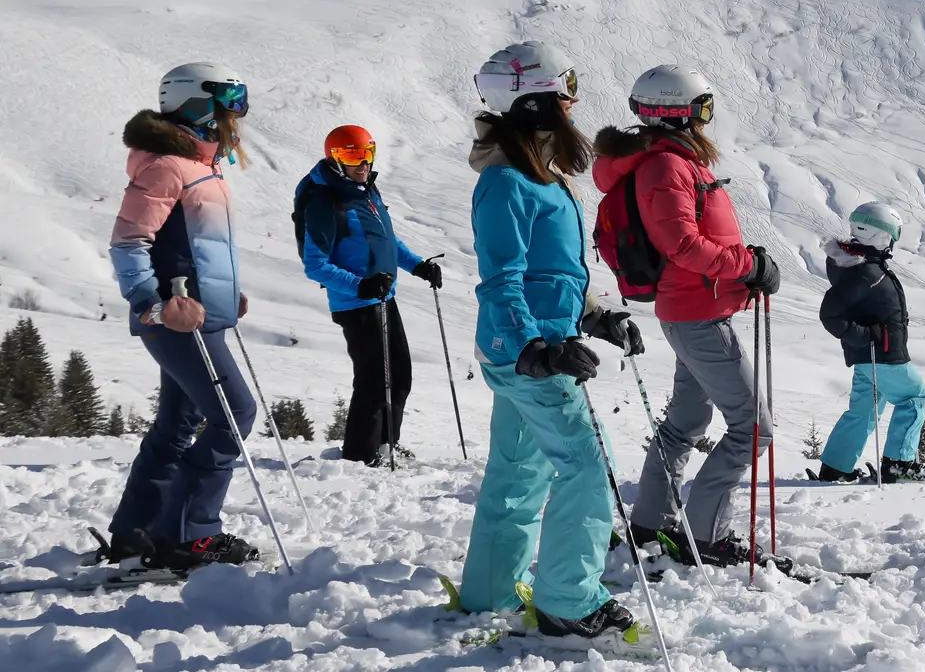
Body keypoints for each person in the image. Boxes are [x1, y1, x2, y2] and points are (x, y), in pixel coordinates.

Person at [457, 41, 638, 641]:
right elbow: (502, 278)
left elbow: (548, 274)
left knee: (518, 474)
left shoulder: (540, 176)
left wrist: (592, 316)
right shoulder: (507, 183)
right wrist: (535, 347)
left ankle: (487, 591)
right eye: (565, 93)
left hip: (529, 349)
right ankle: (568, 600)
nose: (573, 104)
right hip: (527, 355)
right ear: (534, 102)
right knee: (588, 467)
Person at [596, 65, 780, 567]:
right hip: (699, 314)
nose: (707, 117)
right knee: (754, 427)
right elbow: (680, 244)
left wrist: (745, 260)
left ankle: (651, 522)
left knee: (686, 421)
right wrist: (748, 265)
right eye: (702, 107)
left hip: (693, 309)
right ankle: (708, 536)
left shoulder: (669, 161)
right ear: (677, 111)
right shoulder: (666, 167)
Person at [103, 62, 260, 569]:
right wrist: (153, 303)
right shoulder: (168, 166)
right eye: (227, 96)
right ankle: (187, 536)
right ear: (196, 100)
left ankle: (139, 531)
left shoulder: (200, 164)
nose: (235, 109)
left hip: (196, 315)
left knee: (180, 420)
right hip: (173, 318)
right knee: (234, 415)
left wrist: (224, 294)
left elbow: (196, 245)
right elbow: (129, 241)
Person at [296, 124, 443, 467]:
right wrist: (360, 285)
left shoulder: (365, 191)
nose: (362, 163)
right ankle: (361, 454)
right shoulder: (324, 201)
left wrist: (417, 265)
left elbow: (386, 241)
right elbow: (315, 264)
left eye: (366, 154)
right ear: (334, 159)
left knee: (400, 374)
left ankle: (386, 445)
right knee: (375, 379)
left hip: (382, 297)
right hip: (356, 303)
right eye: (351, 155)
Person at [813, 202, 925, 483]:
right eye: (892, 234)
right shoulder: (865, 273)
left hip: (870, 357)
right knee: (915, 396)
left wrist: (866, 340)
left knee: (865, 409)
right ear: (879, 236)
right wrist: (870, 337)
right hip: (884, 355)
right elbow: (830, 315)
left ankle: (836, 467)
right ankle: (899, 464)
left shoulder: (860, 266)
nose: (892, 241)